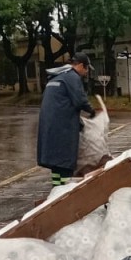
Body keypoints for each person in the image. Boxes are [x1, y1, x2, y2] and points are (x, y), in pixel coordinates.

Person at [37, 52, 98, 186]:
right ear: (81, 66)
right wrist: (92, 111)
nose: (87, 72)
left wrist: (80, 122)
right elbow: (80, 100)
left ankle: (56, 188)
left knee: (56, 162)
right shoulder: (72, 77)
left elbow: (63, 103)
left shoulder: (57, 76)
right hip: (62, 128)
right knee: (65, 161)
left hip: (50, 126)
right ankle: (63, 193)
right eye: (86, 68)